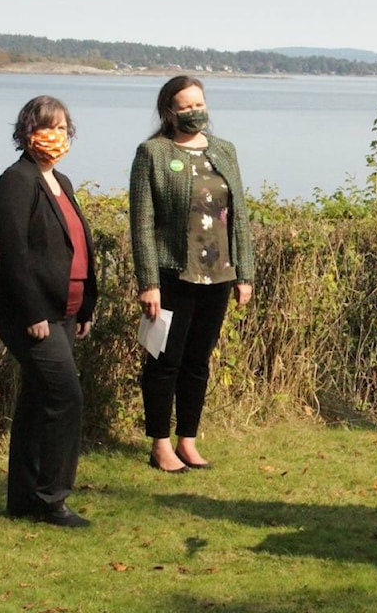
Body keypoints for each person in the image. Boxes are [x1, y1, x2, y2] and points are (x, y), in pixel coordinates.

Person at [130, 76, 255, 473]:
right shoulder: (153, 153)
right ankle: (160, 444)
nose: (194, 111)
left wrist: (244, 274)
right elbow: (142, 222)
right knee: (164, 360)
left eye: (198, 103)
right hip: (171, 275)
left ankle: (188, 440)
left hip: (218, 274)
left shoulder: (224, 150)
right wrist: (148, 282)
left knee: (198, 361)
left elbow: (239, 217)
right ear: (169, 110)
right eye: (184, 106)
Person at [0, 96, 97, 527]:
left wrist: (86, 304)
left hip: (66, 311)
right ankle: (53, 500)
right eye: (44, 126)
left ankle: (23, 499)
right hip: (31, 315)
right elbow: (14, 254)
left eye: (61, 127)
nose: (53, 135)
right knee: (65, 398)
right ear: (26, 131)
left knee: (37, 402)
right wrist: (33, 312)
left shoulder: (62, 181)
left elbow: (77, 246)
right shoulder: (17, 180)